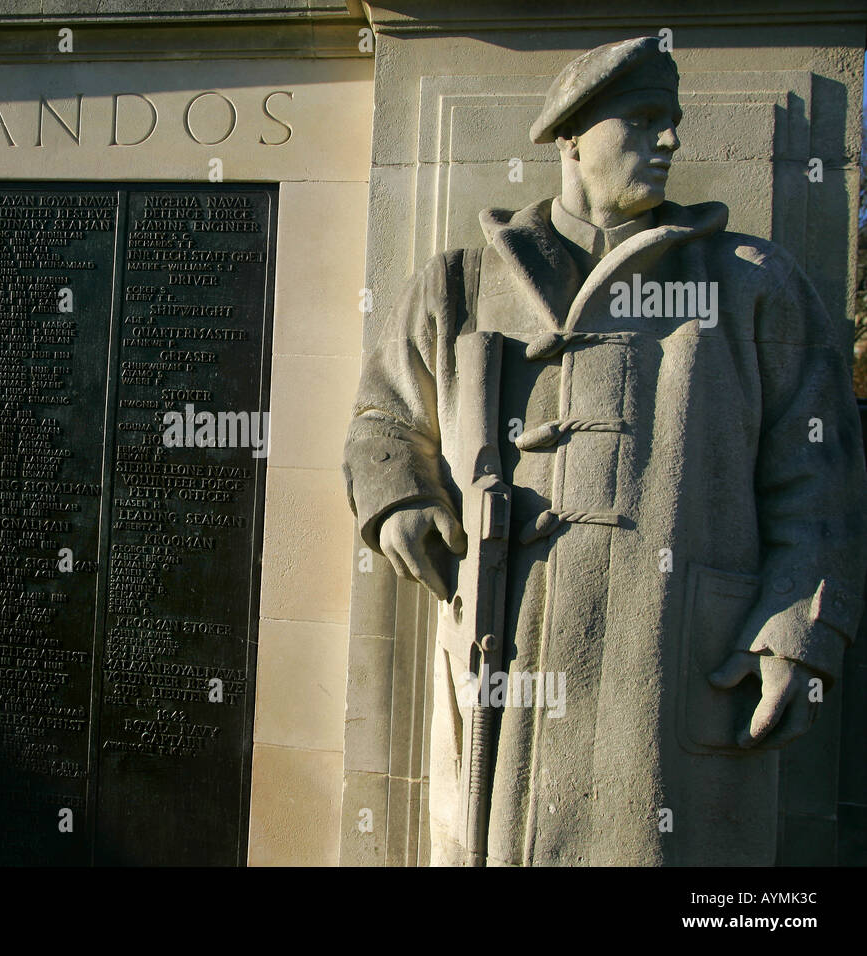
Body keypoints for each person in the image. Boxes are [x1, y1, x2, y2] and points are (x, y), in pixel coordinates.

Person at [342, 36, 867, 865]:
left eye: (676, 123)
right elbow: (382, 420)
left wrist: (801, 633)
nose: (669, 143)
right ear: (572, 136)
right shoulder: (459, 284)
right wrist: (398, 499)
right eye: (646, 119)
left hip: (675, 675)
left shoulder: (752, 283)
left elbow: (822, 484)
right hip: (497, 676)